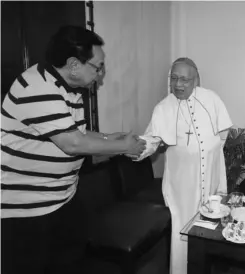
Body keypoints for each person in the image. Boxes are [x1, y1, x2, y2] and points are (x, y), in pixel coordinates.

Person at [1, 26, 146, 274]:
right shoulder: (37, 88)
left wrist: (109, 137)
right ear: (74, 64)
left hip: (62, 199)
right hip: (28, 211)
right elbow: (73, 143)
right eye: (97, 66)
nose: (100, 74)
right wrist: (123, 146)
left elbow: (75, 133)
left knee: (70, 262)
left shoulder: (68, 89)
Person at [131, 57, 233, 274]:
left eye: (185, 80)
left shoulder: (211, 99)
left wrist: (207, 154)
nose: (178, 84)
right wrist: (135, 148)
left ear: (196, 80)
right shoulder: (163, 108)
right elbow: (153, 138)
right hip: (182, 186)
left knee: (212, 226)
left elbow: (223, 135)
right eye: (174, 78)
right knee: (183, 234)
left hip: (213, 180)